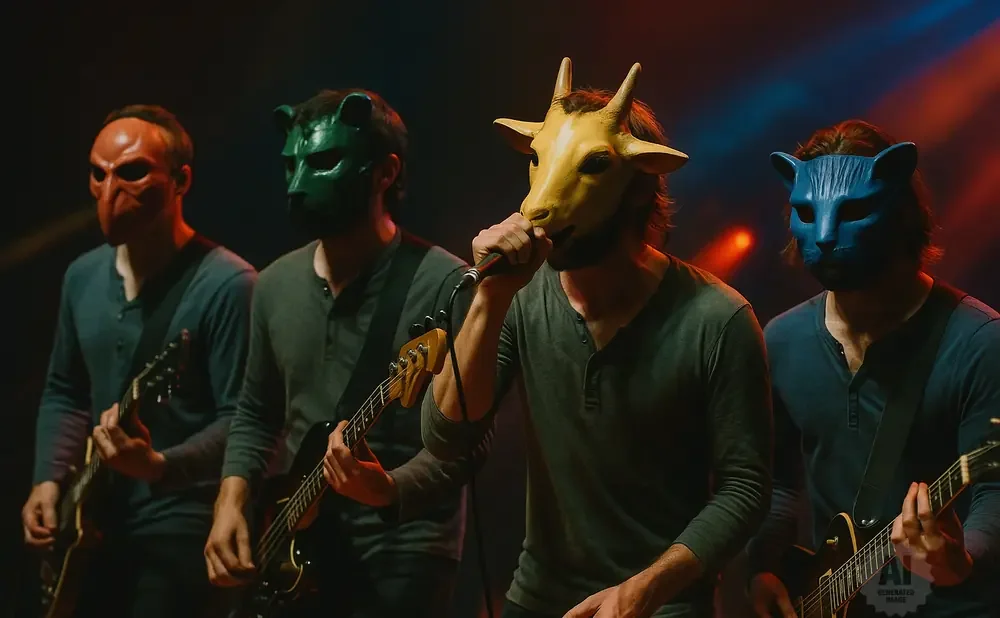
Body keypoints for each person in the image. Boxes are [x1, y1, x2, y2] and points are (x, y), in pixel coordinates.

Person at [421, 57, 773, 618]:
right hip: (538, 598)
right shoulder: (521, 296)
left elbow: (746, 486)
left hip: (661, 606)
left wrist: (649, 588)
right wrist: (490, 299)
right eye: (539, 162)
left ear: (639, 187)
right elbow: (446, 436)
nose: (538, 205)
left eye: (591, 167)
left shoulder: (719, 319)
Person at [205, 89, 491, 618]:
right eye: (290, 164)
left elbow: (468, 444)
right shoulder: (273, 285)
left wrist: (387, 489)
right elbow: (255, 412)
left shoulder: (445, 284)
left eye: (323, 162)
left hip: (405, 546)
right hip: (299, 540)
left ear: (386, 172)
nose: (297, 184)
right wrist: (231, 502)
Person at [747, 120, 1000, 617]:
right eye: (805, 212)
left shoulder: (980, 341)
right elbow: (779, 482)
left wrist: (963, 557)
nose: (823, 234)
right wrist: (765, 566)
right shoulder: (781, 340)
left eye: (855, 211)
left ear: (901, 214)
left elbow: (993, 485)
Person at [21, 104, 257, 617]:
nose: (110, 192)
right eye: (97, 173)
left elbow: (244, 418)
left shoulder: (228, 285)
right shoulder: (82, 277)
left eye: (132, 173)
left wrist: (160, 466)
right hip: (95, 519)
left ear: (180, 180)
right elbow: (64, 389)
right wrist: (48, 479)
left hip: (181, 521)